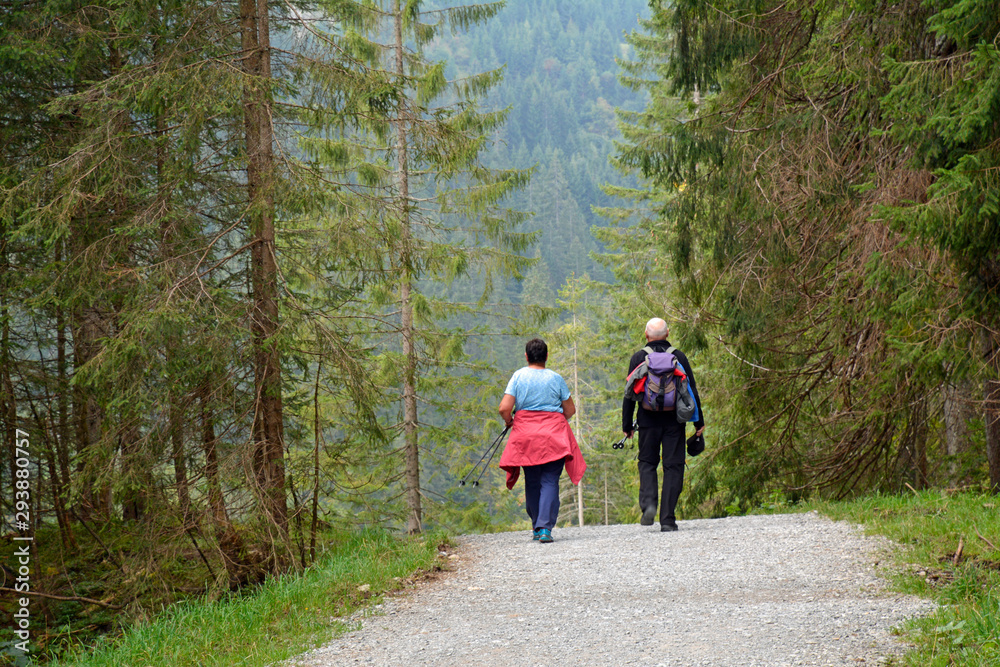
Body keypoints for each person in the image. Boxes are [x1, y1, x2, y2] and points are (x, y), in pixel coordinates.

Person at [498, 338, 586, 543]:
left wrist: (510, 420)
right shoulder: (555, 379)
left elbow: (504, 408)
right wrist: (552, 420)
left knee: (532, 479)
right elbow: (570, 410)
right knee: (549, 479)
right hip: (554, 436)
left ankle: (537, 525)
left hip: (525, 436)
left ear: (527, 356)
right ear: (546, 357)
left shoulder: (518, 376)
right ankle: (545, 528)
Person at [622, 318, 705, 531]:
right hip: (674, 422)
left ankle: (649, 505)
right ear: (667, 333)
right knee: (673, 466)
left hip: (647, 421)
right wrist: (698, 422)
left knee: (647, 462)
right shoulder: (678, 357)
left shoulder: (639, 357)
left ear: (646, 335)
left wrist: (627, 425)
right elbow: (692, 391)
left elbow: (629, 394)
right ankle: (667, 519)